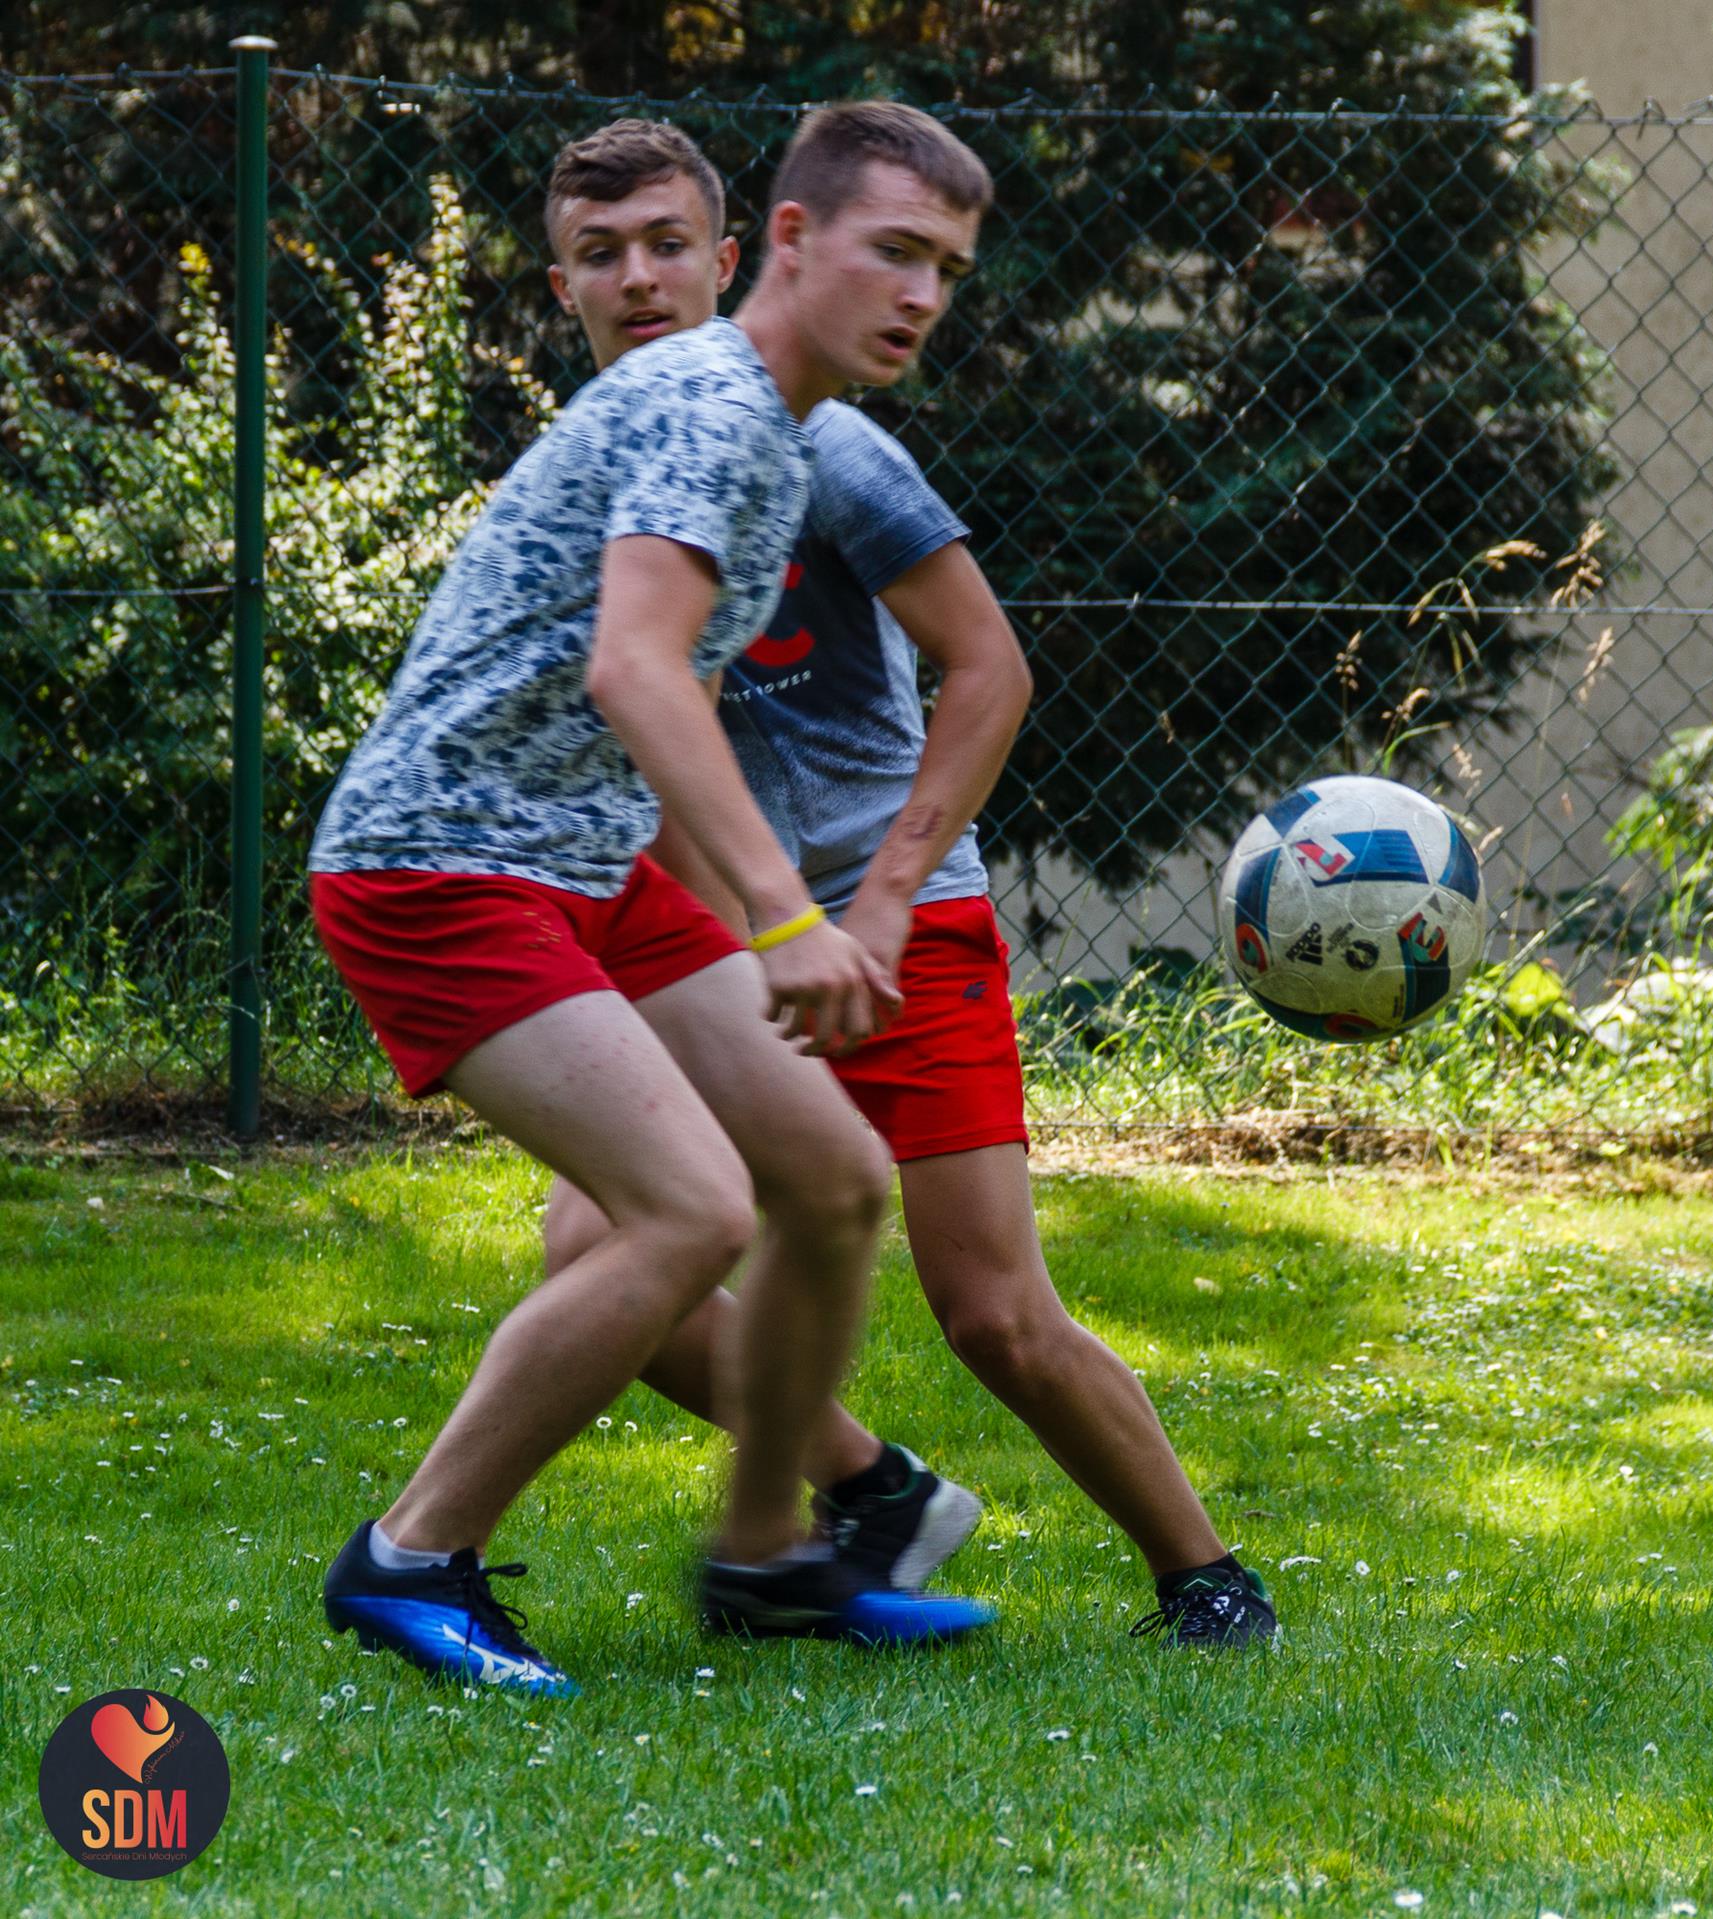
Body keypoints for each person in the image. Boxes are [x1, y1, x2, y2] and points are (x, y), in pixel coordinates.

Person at [542, 122, 1276, 1649]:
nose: (640, 281)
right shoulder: (599, 457)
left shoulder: (828, 447)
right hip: (710, 935)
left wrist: (879, 899)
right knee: (601, 1258)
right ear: (564, 289)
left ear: (737, 258)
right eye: (603, 256)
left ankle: (1208, 1579)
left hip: (897, 923)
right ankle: (872, 1489)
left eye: (669, 246)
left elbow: (990, 669)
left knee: (994, 1313)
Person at [306, 106, 998, 1697]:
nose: (920, 296)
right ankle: (411, 1557)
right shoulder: (717, 408)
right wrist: (784, 917)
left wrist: (743, 928)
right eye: (894, 252)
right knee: (689, 1210)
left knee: (832, 1177)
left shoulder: (772, 423)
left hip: (576, 863)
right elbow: (636, 669)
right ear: (794, 242)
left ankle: (765, 1558)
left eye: (948, 270)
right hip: (439, 862)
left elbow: (643, 690)